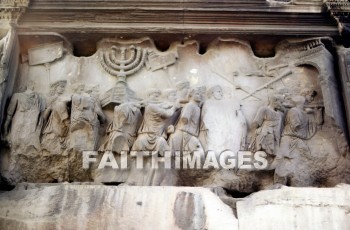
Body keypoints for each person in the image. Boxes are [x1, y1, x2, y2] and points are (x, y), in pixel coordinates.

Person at [4, 82, 45, 152]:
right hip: (28, 124)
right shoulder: (38, 99)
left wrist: (5, 127)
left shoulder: (17, 96)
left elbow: (9, 114)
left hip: (24, 124)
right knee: (21, 147)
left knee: (17, 146)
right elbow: (41, 117)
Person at [41, 80, 70, 154]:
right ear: (56, 88)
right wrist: (50, 108)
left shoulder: (65, 98)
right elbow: (45, 115)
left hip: (63, 121)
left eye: (63, 87)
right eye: (61, 87)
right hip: (55, 121)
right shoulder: (51, 99)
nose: (62, 89)